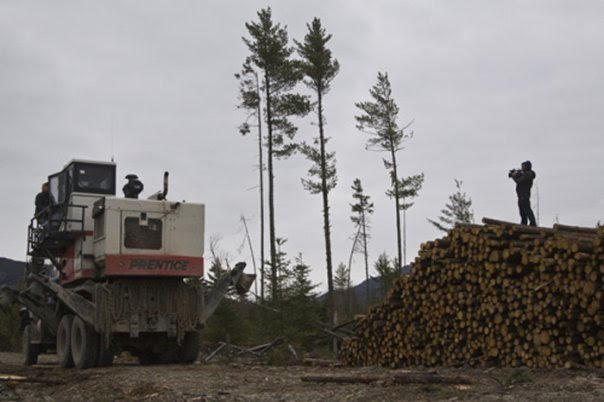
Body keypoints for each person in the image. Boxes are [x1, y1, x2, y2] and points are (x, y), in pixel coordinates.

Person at [509, 161, 537, 226]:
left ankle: (532, 223)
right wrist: (516, 174)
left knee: (527, 210)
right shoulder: (526, 174)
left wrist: (513, 176)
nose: (522, 168)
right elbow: (520, 178)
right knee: (522, 211)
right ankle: (524, 223)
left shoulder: (528, 174)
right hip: (521, 195)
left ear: (527, 166)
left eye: (523, 166)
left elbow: (519, 181)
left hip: (524, 195)